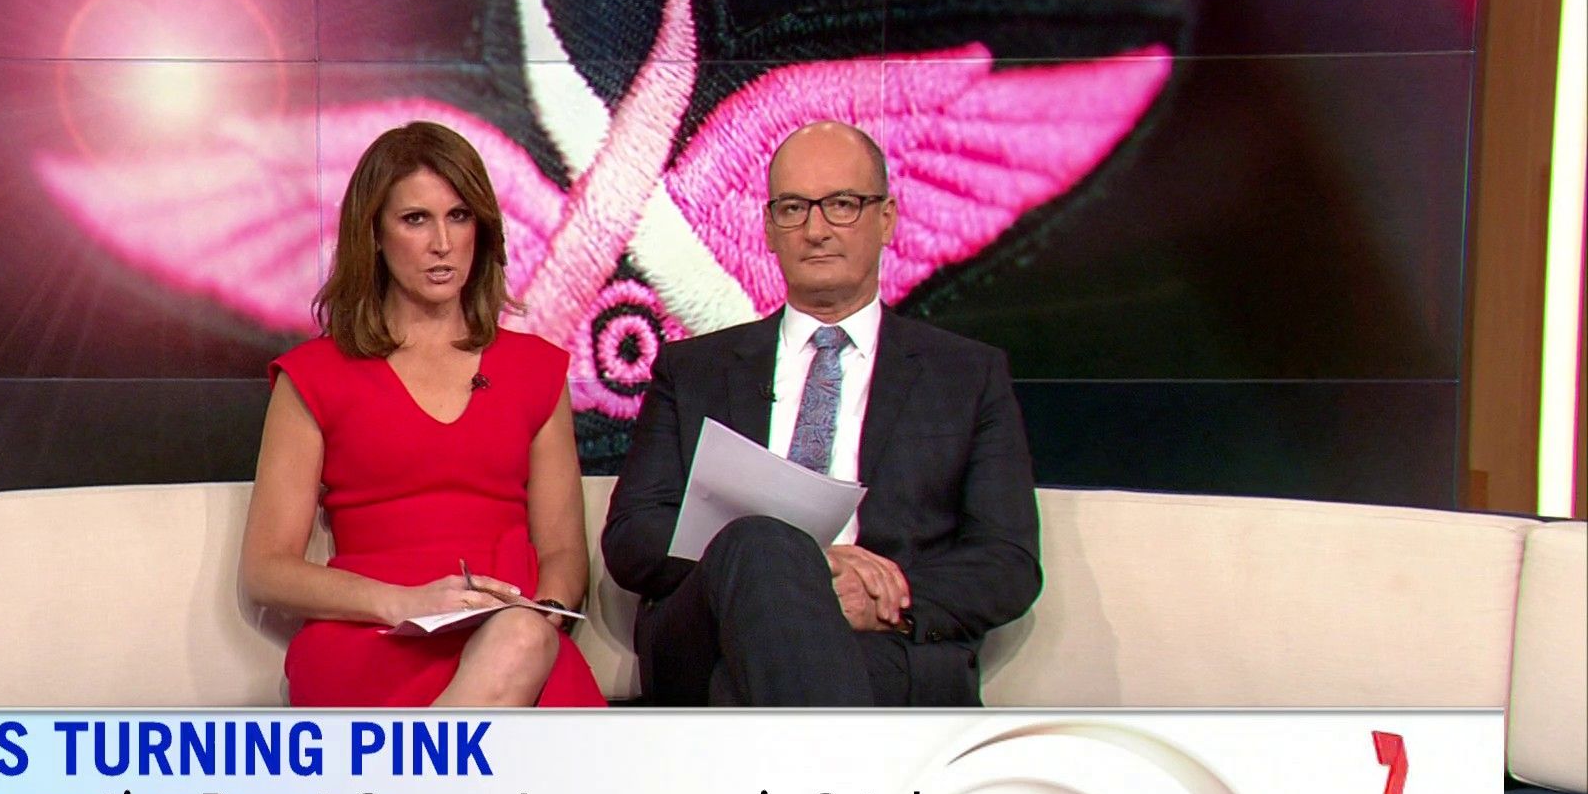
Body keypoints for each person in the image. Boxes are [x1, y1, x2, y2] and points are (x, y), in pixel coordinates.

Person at [601, 121, 1041, 706]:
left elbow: (1008, 562)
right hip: (709, 636)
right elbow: (633, 538)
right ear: (768, 228)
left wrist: (887, 600)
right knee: (760, 543)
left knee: (744, 690)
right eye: (793, 208)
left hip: (882, 644)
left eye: (842, 205)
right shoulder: (694, 370)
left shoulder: (965, 375)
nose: (815, 230)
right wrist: (788, 572)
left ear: (886, 218)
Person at [240, 121, 605, 707]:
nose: (442, 243)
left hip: (514, 634)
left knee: (520, 644)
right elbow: (267, 570)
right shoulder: (314, 375)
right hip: (372, 637)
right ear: (373, 235)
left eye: (459, 217)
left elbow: (563, 551)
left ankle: (425, 756)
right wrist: (403, 603)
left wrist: (543, 614)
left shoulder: (536, 370)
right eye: (415, 219)